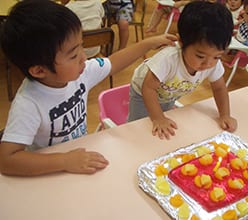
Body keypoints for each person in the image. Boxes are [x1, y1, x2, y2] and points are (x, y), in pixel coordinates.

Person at [0, 0, 176, 176]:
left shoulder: (80, 72)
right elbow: (7, 160)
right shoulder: (29, 104)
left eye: (82, 46)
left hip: (80, 153)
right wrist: (64, 161)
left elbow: (114, 62)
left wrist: (148, 43)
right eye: (74, 55)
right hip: (49, 171)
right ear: (39, 70)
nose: (84, 58)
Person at [128, 1, 237, 140]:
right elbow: (148, 88)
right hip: (143, 92)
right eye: (200, 56)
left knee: (163, 122)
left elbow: (220, 88)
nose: (208, 63)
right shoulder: (168, 59)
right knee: (139, 129)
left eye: (217, 56)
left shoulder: (211, 62)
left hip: (169, 92)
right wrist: (158, 118)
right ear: (181, 42)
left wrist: (225, 115)